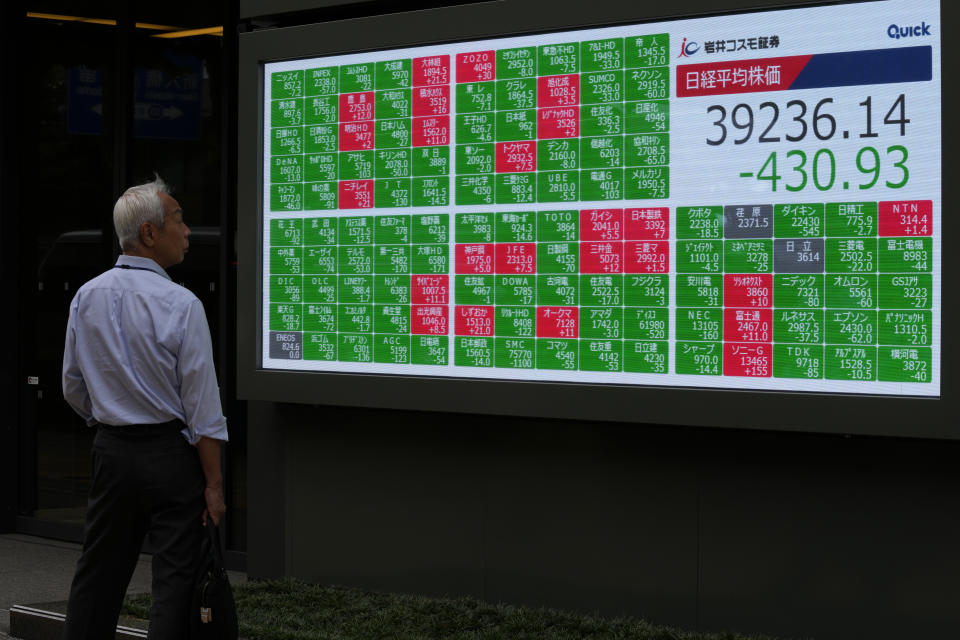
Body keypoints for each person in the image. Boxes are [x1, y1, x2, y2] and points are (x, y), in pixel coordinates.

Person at [60, 175, 229, 639]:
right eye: (178, 219)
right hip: (169, 456)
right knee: (175, 581)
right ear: (150, 234)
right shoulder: (182, 303)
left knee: (98, 574)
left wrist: (107, 418)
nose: (188, 230)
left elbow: (73, 386)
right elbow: (202, 407)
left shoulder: (86, 296)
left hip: (111, 450)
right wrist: (213, 485)